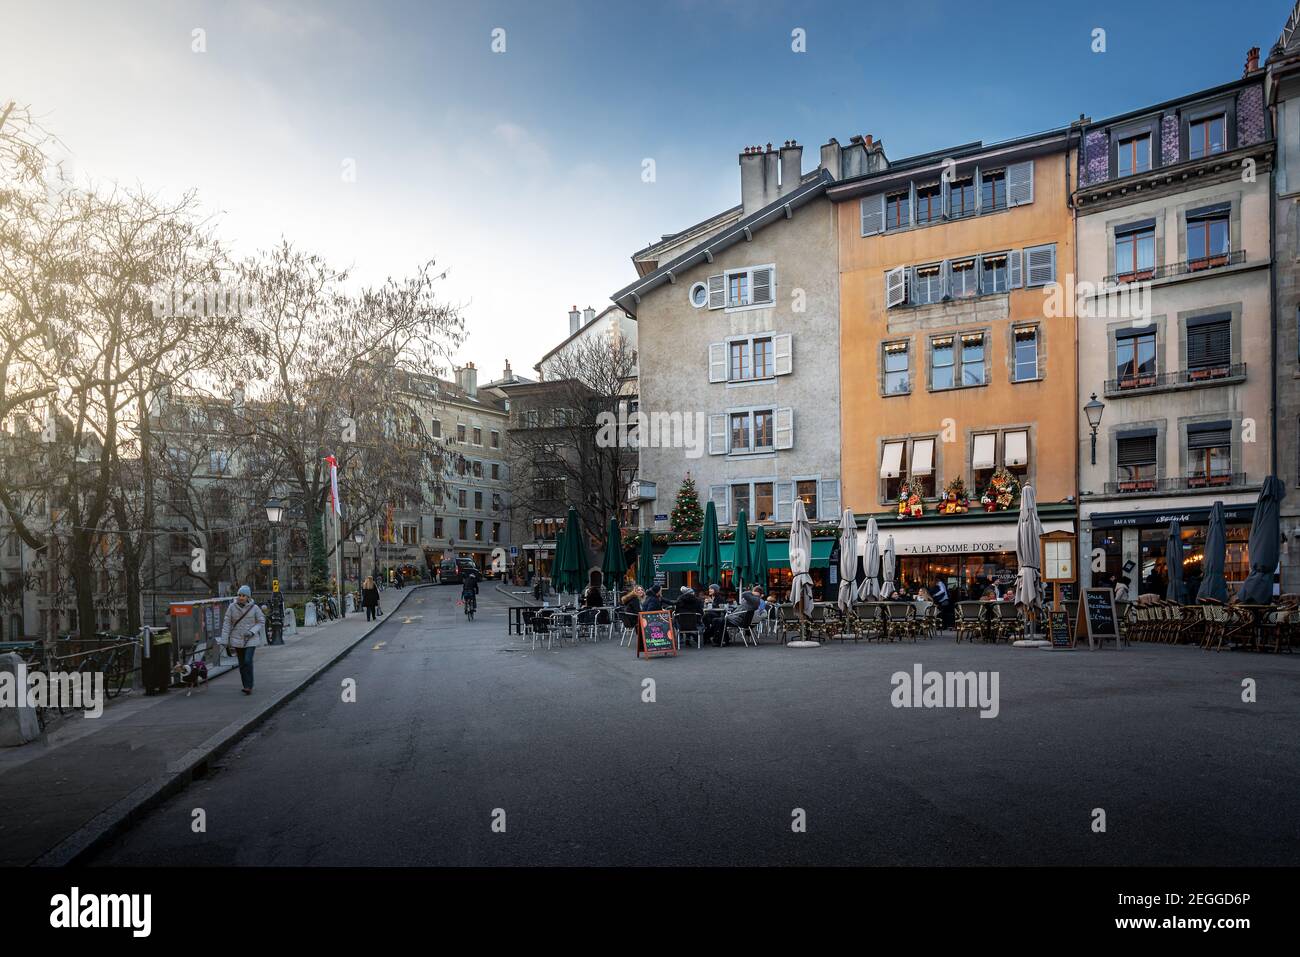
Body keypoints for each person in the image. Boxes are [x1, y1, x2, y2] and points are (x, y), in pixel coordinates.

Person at [221, 585, 265, 695]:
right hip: (236, 639)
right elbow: (227, 623)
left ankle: (249, 685)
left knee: (247, 661)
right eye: (239, 595)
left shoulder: (254, 608)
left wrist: (252, 631)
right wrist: (224, 640)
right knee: (241, 664)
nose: (241, 597)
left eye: (243, 595)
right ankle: (246, 686)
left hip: (250, 639)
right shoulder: (232, 607)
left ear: (248, 597)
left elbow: (261, 621)